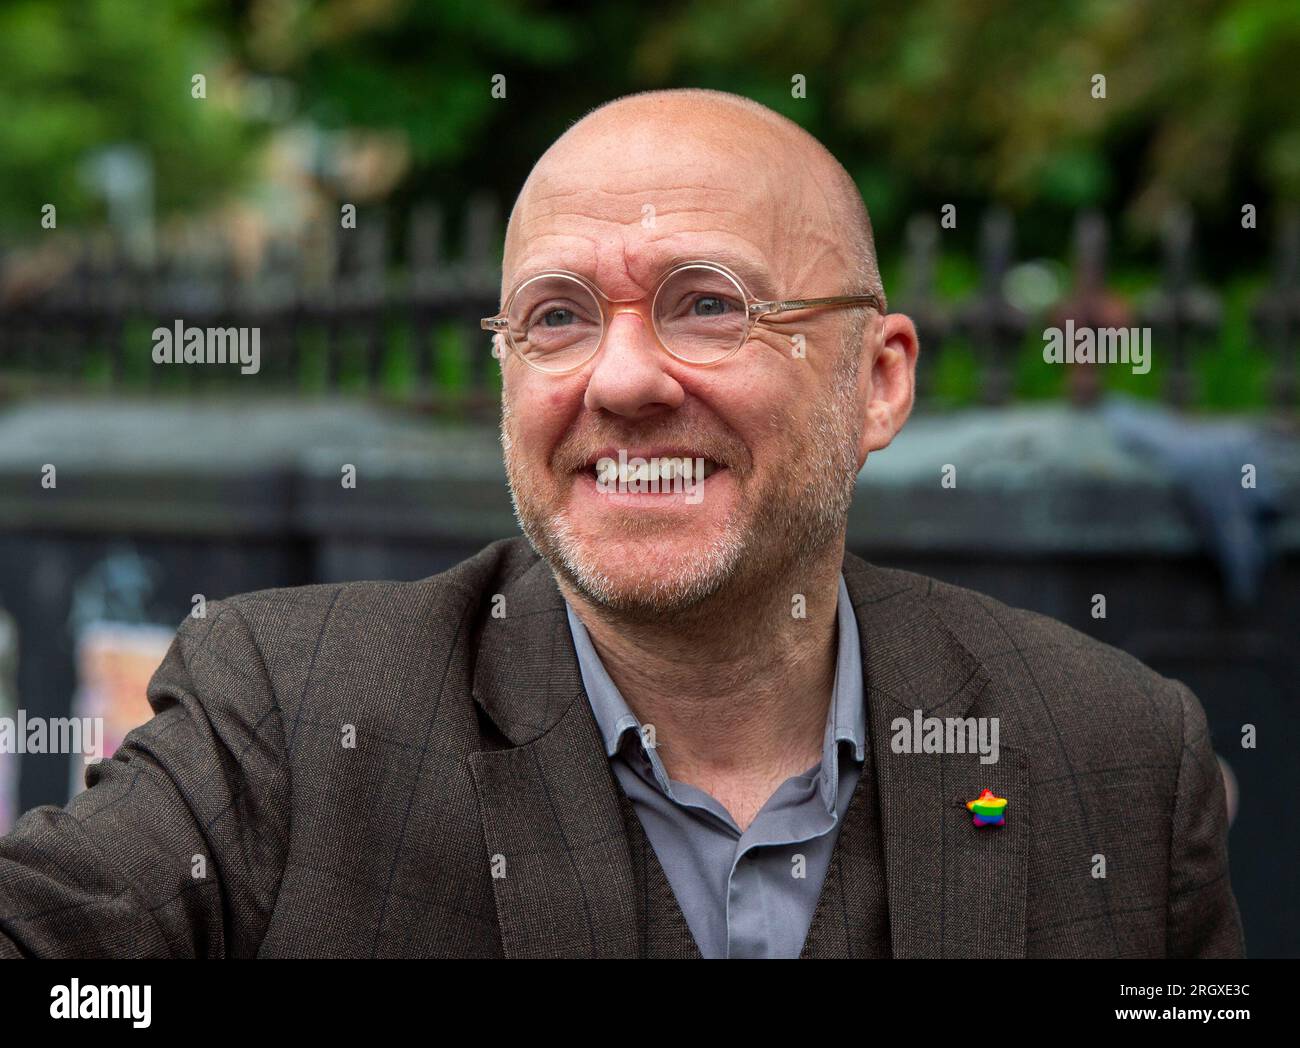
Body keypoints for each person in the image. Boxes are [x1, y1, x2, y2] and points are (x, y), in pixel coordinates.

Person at [0, 88, 1244, 958]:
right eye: (555, 316)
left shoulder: (1120, 760)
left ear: (879, 380)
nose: (622, 380)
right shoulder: (285, 716)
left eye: (707, 305)